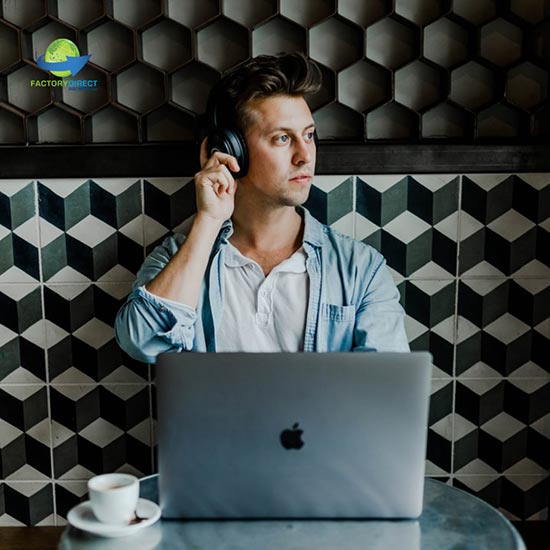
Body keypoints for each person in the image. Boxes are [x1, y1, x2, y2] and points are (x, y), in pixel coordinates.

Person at [115, 53, 409, 364]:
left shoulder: (360, 269)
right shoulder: (179, 257)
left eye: (309, 135)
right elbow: (142, 343)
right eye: (283, 138)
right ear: (230, 150)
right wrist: (209, 220)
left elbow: (384, 395)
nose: (304, 156)